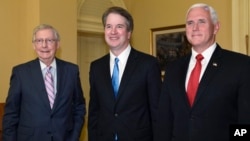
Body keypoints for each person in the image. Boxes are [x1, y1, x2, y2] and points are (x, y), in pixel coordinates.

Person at [155, 3, 250, 141]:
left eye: (201, 22)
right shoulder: (173, 69)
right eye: (190, 23)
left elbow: (245, 123)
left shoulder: (240, 65)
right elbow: (164, 121)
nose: (195, 28)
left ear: (216, 27)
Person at [88, 6, 162, 141]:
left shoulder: (148, 64)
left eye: (119, 26)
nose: (113, 32)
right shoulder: (96, 67)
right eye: (109, 26)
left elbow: (157, 112)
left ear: (129, 33)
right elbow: (94, 112)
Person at [2, 24, 86, 141]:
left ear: (57, 44)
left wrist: (74, 136)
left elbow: (79, 107)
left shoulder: (71, 71)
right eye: (39, 40)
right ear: (34, 45)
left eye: (49, 40)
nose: (44, 45)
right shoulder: (20, 73)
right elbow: (11, 114)